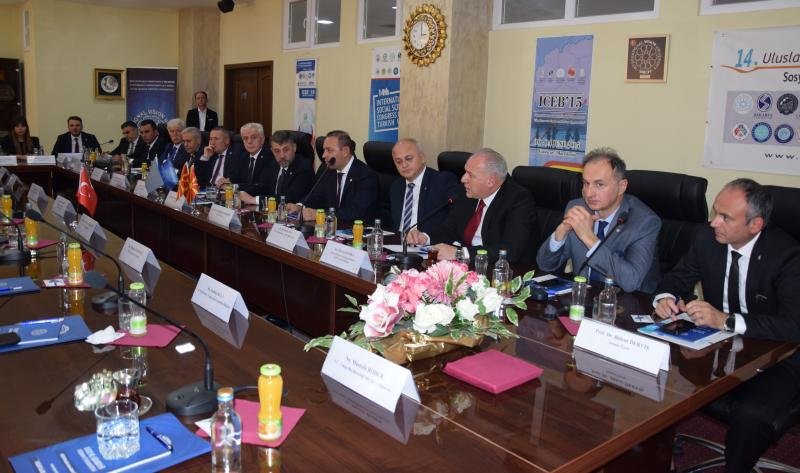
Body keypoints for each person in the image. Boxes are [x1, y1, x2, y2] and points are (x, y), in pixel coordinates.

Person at [653, 178, 800, 473]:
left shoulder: (787, 255)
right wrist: (665, 298)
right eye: (714, 212)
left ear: (755, 225)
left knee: (750, 414)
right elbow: (677, 278)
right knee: (655, 367)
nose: (713, 222)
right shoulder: (706, 238)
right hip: (720, 345)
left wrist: (726, 320)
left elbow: (793, 325)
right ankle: (655, 457)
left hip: (779, 354)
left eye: (725, 217)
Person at [536, 147, 661, 293]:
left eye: (599, 185)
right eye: (586, 183)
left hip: (626, 301)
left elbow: (631, 281)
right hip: (581, 297)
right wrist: (560, 235)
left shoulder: (644, 222)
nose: (589, 193)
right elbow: (545, 265)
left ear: (622, 187)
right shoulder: (578, 207)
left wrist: (589, 238)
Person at [406, 148, 536, 264]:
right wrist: (425, 237)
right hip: (468, 265)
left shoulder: (518, 199)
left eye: (470, 175)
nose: (463, 179)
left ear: (490, 180)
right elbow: (450, 229)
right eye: (465, 172)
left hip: (504, 270)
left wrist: (459, 253)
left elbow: (510, 251)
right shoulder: (467, 192)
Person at [288, 130, 378, 223]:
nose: (323, 155)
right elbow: (316, 196)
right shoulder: (327, 170)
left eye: (329, 150)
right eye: (324, 150)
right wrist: (299, 206)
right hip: (331, 227)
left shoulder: (366, 175)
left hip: (357, 228)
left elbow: (357, 212)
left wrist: (321, 215)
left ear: (345, 151)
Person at [390, 138, 462, 234]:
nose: (404, 165)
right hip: (397, 240)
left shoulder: (443, 181)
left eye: (409, 159)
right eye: (398, 161)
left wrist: (425, 237)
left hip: (427, 241)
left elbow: (454, 221)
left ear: (423, 157)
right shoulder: (396, 186)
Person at [240, 130, 313, 205]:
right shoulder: (272, 165)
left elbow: (289, 198)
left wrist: (253, 200)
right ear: (272, 151)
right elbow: (262, 187)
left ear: (294, 147)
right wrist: (242, 193)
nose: (282, 156)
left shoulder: (304, 166)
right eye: (277, 151)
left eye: (286, 150)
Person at [228, 122, 271, 196]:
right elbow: (234, 179)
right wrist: (227, 182)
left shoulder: (269, 157)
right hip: (242, 198)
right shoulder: (242, 156)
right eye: (245, 138)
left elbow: (260, 186)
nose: (249, 142)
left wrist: (233, 186)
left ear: (262, 139)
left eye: (253, 137)